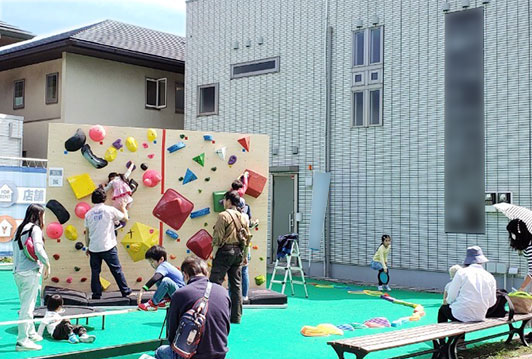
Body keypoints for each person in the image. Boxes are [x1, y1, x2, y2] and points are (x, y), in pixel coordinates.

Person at [155, 256, 230, 359]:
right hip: (219, 354)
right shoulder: (223, 292)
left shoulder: (180, 294)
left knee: (160, 351)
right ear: (206, 273)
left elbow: (172, 336)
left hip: (191, 354)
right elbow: (226, 328)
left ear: (185, 275)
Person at [12, 204, 51, 351]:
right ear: (39, 215)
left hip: (18, 272)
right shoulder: (34, 229)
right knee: (27, 308)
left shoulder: (20, 229)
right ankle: (22, 341)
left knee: (27, 304)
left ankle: (30, 332)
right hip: (29, 272)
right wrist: (47, 263)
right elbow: (38, 248)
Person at [209, 190, 251, 324]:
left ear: (228, 200)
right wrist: (245, 255)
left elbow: (217, 238)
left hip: (225, 252)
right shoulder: (244, 217)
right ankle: (236, 316)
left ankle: (213, 315)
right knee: (236, 286)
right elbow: (247, 238)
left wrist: (214, 253)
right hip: (238, 252)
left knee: (214, 284)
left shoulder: (223, 216)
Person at [84, 187, 132, 299]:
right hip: (108, 246)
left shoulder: (88, 214)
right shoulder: (109, 210)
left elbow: (87, 233)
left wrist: (87, 246)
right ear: (104, 198)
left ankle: (96, 295)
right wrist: (123, 207)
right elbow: (125, 219)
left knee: (95, 273)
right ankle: (125, 291)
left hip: (94, 248)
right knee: (116, 270)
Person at [438, 246, 497, 323]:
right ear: (481, 261)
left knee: (443, 309)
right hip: (480, 315)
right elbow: (492, 302)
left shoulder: (461, 273)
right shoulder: (489, 276)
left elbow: (451, 297)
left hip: (460, 313)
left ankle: (444, 334)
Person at [138, 245, 186, 311]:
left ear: (161, 259)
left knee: (165, 280)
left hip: (181, 295)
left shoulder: (163, 266)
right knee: (160, 279)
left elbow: (155, 278)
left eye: (152, 261)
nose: (151, 264)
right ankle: (168, 300)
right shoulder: (165, 266)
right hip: (177, 293)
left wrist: (143, 289)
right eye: (150, 262)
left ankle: (153, 304)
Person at [104, 162, 135, 229]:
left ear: (111, 178)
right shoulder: (122, 177)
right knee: (129, 203)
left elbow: (106, 189)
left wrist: (100, 189)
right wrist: (132, 164)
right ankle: (126, 212)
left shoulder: (112, 182)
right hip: (127, 198)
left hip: (119, 200)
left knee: (113, 211)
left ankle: (117, 223)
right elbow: (128, 172)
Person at [505, 218, 532, 291]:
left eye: (512, 233)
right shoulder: (528, 242)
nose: (511, 236)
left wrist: (522, 288)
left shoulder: (530, 245)